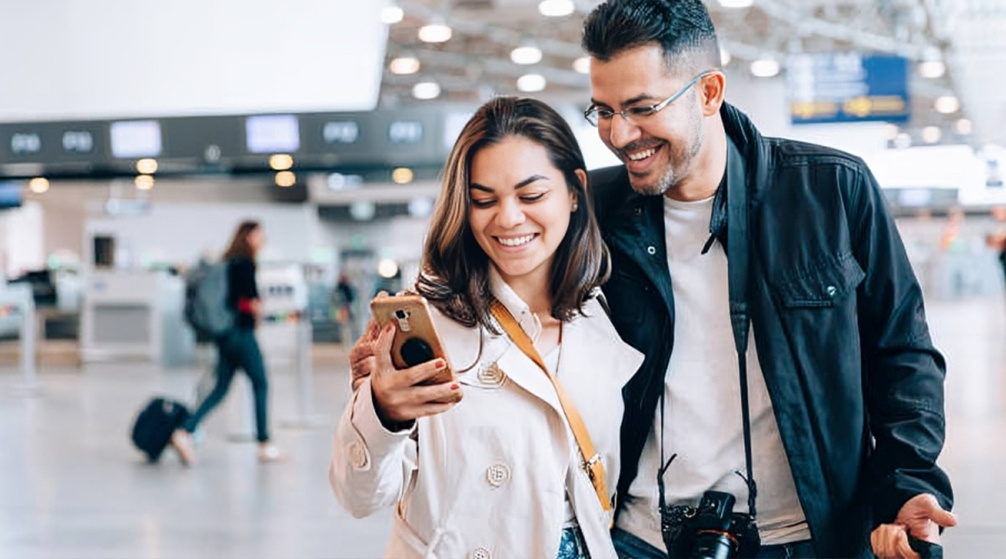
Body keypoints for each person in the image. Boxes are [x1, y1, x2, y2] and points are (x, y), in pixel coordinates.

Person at [578, 1, 955, 558]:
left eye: (641, 107)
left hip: (805, 538)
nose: (620, 133)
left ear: (709, 93)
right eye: (603, 111)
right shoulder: (593, 211)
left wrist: (906, 486)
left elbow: (903, 355)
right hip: (638, 539)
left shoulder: (831, 192)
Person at [328, 97, 643, 558]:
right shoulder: (432, 326)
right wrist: (383, 413)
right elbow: (358, 496)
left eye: (531, 195)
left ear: (575, 191)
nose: (508, 218)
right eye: (483, 200)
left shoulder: (602, 315)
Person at [171, 220, 285, 464]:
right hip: (241, 334)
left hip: (224, 335)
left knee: (220, 388)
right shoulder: (245, 264)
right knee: (260, 383)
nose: (263, 238)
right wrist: (257, 316)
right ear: (248, 236)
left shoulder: (226, 262)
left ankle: (184, 431)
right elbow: (247, 301)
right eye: (259, 234)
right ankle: (264, 443)